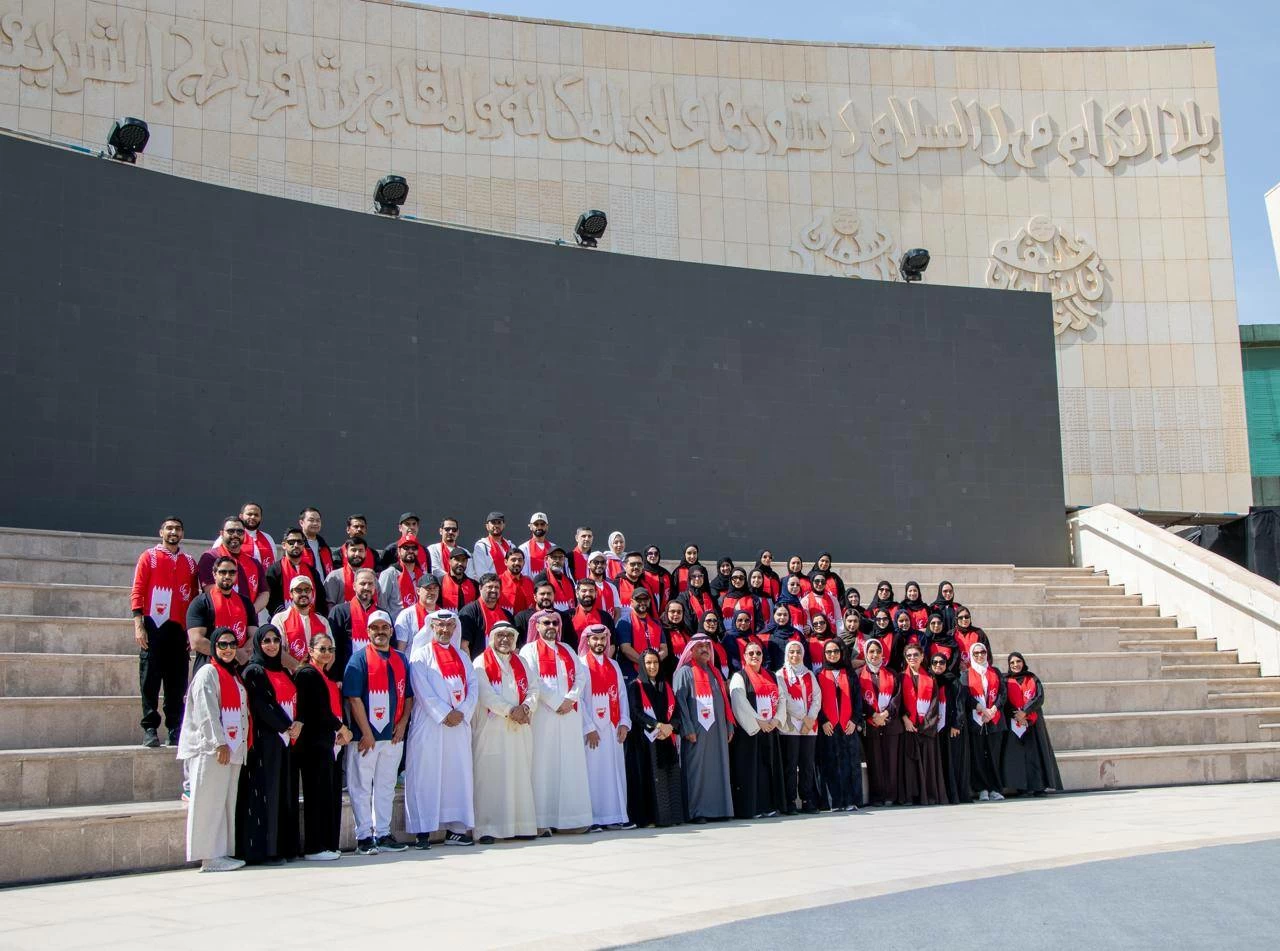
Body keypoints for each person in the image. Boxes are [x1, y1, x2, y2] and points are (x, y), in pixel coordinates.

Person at [177, 627, 248, 872]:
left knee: (224, 803)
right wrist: (218, 742)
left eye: (232, 645)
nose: (228, 649)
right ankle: (208, 856)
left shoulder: (234, 674)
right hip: (211, 750)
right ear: (214, 648)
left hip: (232, 750)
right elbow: (206, 712)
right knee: (209, 802)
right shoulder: (208, 672)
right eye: (222, 645)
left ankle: (221, 852)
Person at [406, 610, 478, 848]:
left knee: (456, 775)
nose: (445, 630)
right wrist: (445, 713)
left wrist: (463, 712)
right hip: (430, 725)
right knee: (426, 775)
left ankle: (455, 829)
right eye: (440, 626)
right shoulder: (420, 656)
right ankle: (423, 830)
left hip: (458, 727)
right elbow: (422, 690)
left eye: (449, 625)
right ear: (432, 627)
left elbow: (473, 688)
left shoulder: (463, 657)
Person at [343, 610, 413, 854]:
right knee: (362, 787)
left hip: (393, 736)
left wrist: (403, 724)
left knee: (385, 786)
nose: (380, 632)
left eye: (385, 627)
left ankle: (383, 833)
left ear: (391, 631)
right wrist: (366, 732)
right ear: (368, 631)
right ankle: (364, 836)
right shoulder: (358, 659)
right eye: (375, 628)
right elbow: (353, 698)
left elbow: (409, 696)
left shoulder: (402, 659)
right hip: (366, 738)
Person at [519, 610, 594, 834]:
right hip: (544, 716)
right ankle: (542, 821)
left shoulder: (568, 649)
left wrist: (570, 699)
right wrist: (555, 702)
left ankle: (571, 821)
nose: (551, 626)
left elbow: (581, 676)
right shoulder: (528, 650)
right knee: (543, 765)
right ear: (537, 626)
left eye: (555, 622)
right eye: (546, 623)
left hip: (569, 715)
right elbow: (533, 681)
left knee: (570, 764)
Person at [235, 625, 303, 864]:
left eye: (276, 640)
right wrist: (286, 725)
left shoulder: (284, 671)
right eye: (266, 641)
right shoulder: (253, 671)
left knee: (285, 793)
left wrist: (297, 724)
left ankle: (284, 847)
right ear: (258, 645)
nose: (272, 645)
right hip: (266, 743)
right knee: (267, 795)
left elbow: (295, 701)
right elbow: (263, 705)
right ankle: (266, 850)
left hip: (286, 741)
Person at [131, 517, 198, 748]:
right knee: (149, 679)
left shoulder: (190, 562)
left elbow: (192, 597)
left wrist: (191, 630)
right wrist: (138, 624)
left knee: (177, 683)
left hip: (178, 629)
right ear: (161, 531)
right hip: (153, 626)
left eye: (178, 528)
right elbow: (138, 590)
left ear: (182, 533)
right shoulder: (148, 556)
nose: (173, 532)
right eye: (169, 528)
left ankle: (174, 727)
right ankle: (150, 728)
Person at [472, 622, 538, 844]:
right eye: (500, 635)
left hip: (519, 730)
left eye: (509, 636)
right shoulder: (481, 662)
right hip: (492, 730)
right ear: (491, 638)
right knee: (491, 778)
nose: (504, 640)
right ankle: (488, 828)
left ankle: (521, 825)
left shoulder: (523, 663)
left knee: (519, 775)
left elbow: (534, 689)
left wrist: (526, 708)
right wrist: (511, 710)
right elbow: (485, 695)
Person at [293, 631, 351, 860]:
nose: (327, 653)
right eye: (322, 649)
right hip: (314, 744)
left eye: (330, 649)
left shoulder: (326, 676)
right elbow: (318, 710)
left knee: (330, 794)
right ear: (310, 651)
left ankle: (328, 843)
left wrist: (340, 730)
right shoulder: (307, 674)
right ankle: (314, 847)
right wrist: (341, 728)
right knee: (316, 795)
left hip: (330, 743)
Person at [673, 635, 734, 823]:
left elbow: (724, 702)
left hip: (717, 730)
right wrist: (687, 728)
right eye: (699, 646)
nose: (704, 649)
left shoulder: (715, 672)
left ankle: (719, 810)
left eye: (707, 646)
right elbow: (680, 703)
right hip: (696, 731)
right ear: (690, 650)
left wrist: (729, 725)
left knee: (719, 768)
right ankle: (697, 811)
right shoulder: (685, 671)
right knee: (696, 771)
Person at [579, 624, 634, 831]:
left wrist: (624, 723)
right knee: (593, 773)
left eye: (603, 639)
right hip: (592, 731)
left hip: (612, 728)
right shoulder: (581, 664)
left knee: (615, 771)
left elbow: (621, 695)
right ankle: (593, 818)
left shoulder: (614, 665)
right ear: (588, 641)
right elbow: (580, 701)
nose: (599, 643)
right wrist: (589, 727)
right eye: (595, 639)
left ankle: (615, 816)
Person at [626, 648, 685, 828]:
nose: (652, 666)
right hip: (645, 742)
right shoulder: (635, 686)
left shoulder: (665, 686)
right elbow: (636, 713)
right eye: (648, 663)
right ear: (642, 665)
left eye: (656, 662)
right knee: (650, 780)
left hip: (666, 739)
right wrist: (657, 725)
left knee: (670, 778)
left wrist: (670, 727)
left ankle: (671, 817)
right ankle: (651, 818)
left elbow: (675, 713)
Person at [728, 640, 785, 819]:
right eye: (751, 653)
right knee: (751, 772)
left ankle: (769, 806)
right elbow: (739, 702)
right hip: (750, 732)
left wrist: (776, 720)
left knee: (769, 769)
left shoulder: (773, 676)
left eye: (758, 653)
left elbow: (782, 698)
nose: (755, 656)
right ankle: (751, 808)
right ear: (744, 656)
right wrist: (758, 721)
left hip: (770, 730)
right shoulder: (739, 677)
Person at [1002, 652, 1064, 796]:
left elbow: (1039, 697)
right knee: (1018, 756)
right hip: (1014, 723)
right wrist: (1017, 715)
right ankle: (1021, 787)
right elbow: (1004, 699)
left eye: (1018, 661)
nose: (1015, 665)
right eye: (1012, 663)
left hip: (1034, 723)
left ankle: (1038, 787)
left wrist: (1025, 712)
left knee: (1035, 755)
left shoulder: (1033, 678)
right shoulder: (1005, 680)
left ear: (1023, 662)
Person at [186, 556, 257, 674]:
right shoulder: (200, 603)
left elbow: (254, 635)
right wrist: (231, 652)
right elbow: (196, 641)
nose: (227, 576)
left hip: (239, 669)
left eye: (232, 572)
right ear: (214, 574)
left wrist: (243, 652)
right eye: (223, 572)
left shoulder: (246, 603)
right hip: (209, 669)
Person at [815, 639, 863, 811]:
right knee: (829, 763)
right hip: (828, 727)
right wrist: (823, 721)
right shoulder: (818, 674)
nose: (833, 654)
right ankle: (833, 801)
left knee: (850, 764)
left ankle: (851, 800)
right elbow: (815, 701)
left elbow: (858, 700)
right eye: (829, 652)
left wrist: (855, 720)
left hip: (847, 726)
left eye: (836, 651)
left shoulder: (850, 675)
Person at [899, 644, 947, 806]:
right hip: (908, 727)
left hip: (926, 729)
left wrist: (925, 726)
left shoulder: (930, 679)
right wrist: (905, 720)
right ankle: (911, 796)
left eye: (915, 655)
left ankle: (929, 795)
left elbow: (934, 705)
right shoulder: (900, 677)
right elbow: (897, 703)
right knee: (910, 764)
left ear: (921, 657)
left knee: (927, 763)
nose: (912, 658)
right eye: (909, 655)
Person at [776, 640, 821, 814]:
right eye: (792, 652)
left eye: (798, 652)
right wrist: (804, 718)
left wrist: (810, 719)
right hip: (790, 727)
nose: (795, 655)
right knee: (791, 765)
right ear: (787, 654)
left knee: (807, 765)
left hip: (809, 727)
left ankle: (807, 799)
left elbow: (817, 697)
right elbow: (785, 700)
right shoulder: (780, 675)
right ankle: (790, 801)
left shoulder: (809, 673)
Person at [859, 639, 903, 806]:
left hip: (890, 724)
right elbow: (859, 700)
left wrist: (885, 714)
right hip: (870, 724)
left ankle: (890, 796)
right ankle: (877, 796)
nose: (875, 654)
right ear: (866, 654)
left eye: (878, 651)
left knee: (891, 762)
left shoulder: (892, 674)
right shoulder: (858, 675)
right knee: (875, 761)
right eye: (871, 651)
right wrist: (873, 714)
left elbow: (897, 698)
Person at [198, 517, 267, 618]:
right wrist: (236, 610)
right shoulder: (210, 557)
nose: (235, 535)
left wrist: (250, 611)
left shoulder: (254, 562)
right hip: (220, 618)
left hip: (248, 621)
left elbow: (264, 592)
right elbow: (210, 589)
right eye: (231, 531)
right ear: (221, 534)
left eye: (239, 531)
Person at [962, 643, 1005, 801]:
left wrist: (992, 710)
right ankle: (982, 789)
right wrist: (981, 709)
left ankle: (995, 788)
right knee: (978, 756)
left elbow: (1002, 693)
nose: (980, 655)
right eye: (976, 653)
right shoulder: (966, 674)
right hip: (976, 720)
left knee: (994, 755)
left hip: (994, 720)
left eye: (982, 652)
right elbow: (966, 696)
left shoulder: (996, 672)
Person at [930, 651, 969, 804]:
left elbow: (960, 705)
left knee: (951, 761)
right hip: (934, 728)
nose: (938, 665)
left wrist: (956, 724)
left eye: (942, 662)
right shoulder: (929, 680)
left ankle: (952, 794)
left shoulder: (954, 681)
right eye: (935, 662)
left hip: (950, 728)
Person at [271, 576, 331, 673]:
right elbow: (278, 651)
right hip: (291, 677)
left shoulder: (322, 621)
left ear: (312, 593)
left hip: (319, 677)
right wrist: (302, 670)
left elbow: (332, 653)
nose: (303, 594)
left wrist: (317, 673)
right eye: (298, 590)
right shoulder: (279, 619)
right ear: (291, 594)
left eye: (307, 590)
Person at [327, 567, 380, 676]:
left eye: (370, 584)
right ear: (354, 586)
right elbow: (332, 646)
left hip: (376, 673)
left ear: (375, 587)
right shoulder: (339, 612)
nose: (367, 587)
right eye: (363, 583)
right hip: (346, 674)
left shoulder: (381, 615)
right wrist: (336, 677)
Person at [265, 528, 329, 617]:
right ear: (284, 545)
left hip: (311, 621)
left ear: (303, 545)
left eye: (300, 542)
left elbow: (321, 599)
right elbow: (271, 599)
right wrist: (285, 617)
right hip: (282, 621)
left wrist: (317, 618)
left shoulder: (312, 571)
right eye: (291, 542)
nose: (296, 545)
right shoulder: (274, 570)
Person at [457, 573, 515, 659]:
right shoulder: (468, 612)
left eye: (497, 587)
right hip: (478, 666)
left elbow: (513, 645)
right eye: (490, 587)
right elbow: (463, 645)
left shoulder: (507, 615)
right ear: (480, 588)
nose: (493, 590)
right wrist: (471, 669)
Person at [616, 588, 666, 680]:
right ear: (631, 602)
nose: (642, 602)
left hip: (654, 674)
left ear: (650, 601)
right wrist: (646, 663)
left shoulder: (657, 623)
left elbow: (664, 649)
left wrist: (653, 663)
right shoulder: (624, 622)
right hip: (631, 674)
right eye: (639, 599)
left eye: (645, 599)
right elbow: (625, 649)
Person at [393, 574, 443, 654]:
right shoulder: (406, 615)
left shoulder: (443, 615)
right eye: (428, 588)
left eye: (435, 588)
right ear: (418, 591)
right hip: (413, 664)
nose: (432, 592)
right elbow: (400, 649)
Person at [378, 534, 426, 614]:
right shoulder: (388, 574)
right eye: (406, 548)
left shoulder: (422, 576)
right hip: (396, 624)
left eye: (414, 548)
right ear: (399, 551)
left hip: (418, 621)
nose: (410, 551)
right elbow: (381, 603)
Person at [324, 535, 373, 607]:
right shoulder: (335, 577)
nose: (357, 554)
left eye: (360, 550)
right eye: (353, 550)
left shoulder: (371, 577)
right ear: (346, 553)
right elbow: (329, 605)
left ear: (365, 553)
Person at [568, 576, 616, 650]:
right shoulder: (567, 616)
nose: (588, 594)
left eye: (591, 591)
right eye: (584, 591)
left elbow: (612, 644)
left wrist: (603, 661)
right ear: (577, 594)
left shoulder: (606, 617)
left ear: (596, 593)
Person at [469, 511, 513, 581]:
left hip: (510, 587)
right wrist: (497, 584)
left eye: (499, 523)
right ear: (487, 526)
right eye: (493, 523)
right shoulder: (481, 546)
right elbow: (481, 573)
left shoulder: (511, 546)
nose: (496, 525)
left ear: (504, 525)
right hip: (491, 588)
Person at [532, 545, 575, 612]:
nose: (557, 561)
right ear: (546, 559)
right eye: (554, 557)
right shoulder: (540, 578)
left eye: (561, 557)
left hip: (568, 619)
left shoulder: (569, 581)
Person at [296, 507, 335, 581]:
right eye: (311, 520)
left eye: (318, 520)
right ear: (301, 523)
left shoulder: (324, 546)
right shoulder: (296, 545)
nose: (315, 523)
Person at [763, 602, 803, 672]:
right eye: (779, 614)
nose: (782, 617)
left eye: (785, 615)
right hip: (773, 676)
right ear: (773, 615)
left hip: (794, 674)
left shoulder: (796, 634)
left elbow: (805, 656)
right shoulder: (765, 635)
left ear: (789, 616)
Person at [677, 565, 717, 633]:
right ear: (689, 578)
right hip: (693, 636)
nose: (697, 579)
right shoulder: (683, 597)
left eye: (700, 576)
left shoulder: (710, 597)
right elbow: (687, 622)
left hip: (711, 636)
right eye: (694, 576)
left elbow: (718, 618)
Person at [724, 609, 765, 674]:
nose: (743, 623)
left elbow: (765, 656)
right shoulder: (729, 637)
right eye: (740, 620)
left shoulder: (754, 637)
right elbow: (732, 660)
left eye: (747, 620)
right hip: (739, 674)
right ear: (735, 621)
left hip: (759, 673)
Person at [584, 550, 623, 618]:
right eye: (596, 562)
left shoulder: (612, 587)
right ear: (588, 565)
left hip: (610, 626)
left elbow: (617, 611)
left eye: (603, 562)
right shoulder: (583, 586)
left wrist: (612, 627)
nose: (599, 565)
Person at [239, 503, 276, 570]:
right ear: (241, 516)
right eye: (249, 514)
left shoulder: (268, 538)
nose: (253, 517)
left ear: (260, 518)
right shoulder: (232, 537)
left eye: (256, 515)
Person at [498, 547, 535, 614]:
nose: (517, 563)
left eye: (520, 560)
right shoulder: (498, 581)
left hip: (526, 622)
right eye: (513, 560)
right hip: (506, 621)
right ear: (506, 562)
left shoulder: (529, 582)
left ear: (523, 563)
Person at [519, 512, 555, 578]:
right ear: (530, 526)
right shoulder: (523, 548)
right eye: (536, 524)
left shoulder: (553, 548)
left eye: (542, 524)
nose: (539, 527)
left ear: (547, 527)